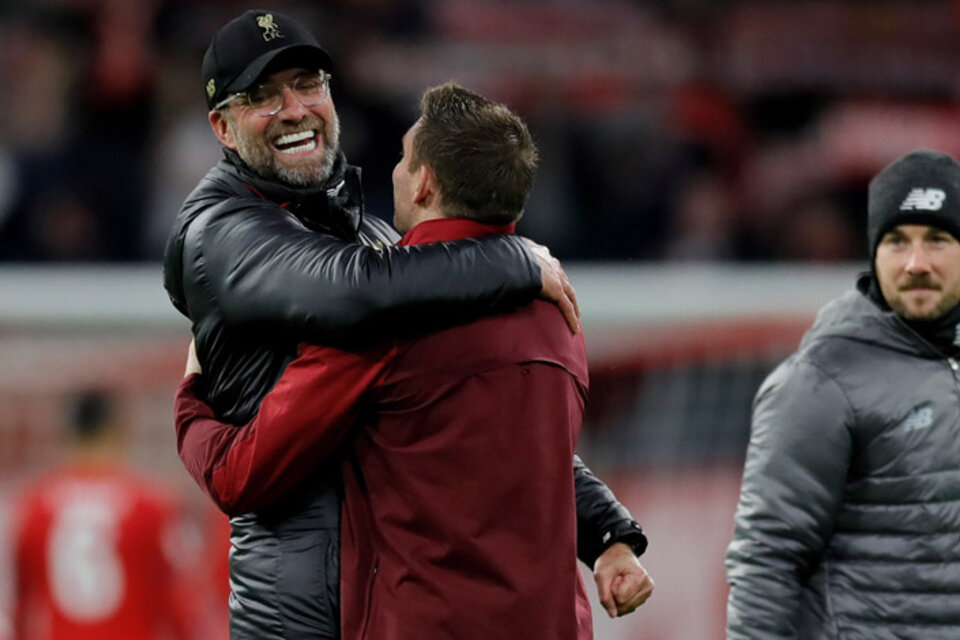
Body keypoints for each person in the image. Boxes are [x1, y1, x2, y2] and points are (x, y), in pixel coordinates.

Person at [163, 9, 650, 638]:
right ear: (222, 128)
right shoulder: (221, 232)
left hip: (385, 606)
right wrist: (511, 252)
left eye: (308, 84)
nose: (294, 109)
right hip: (299, 617)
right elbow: (353, 294)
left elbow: (515, 437)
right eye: (261, 96)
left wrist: (606, 530)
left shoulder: (393, 257)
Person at [725, 149, 960, 638]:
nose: (916, 263)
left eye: (937, 240)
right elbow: (767, 559)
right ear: (874, 253)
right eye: (897, 242)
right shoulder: (821, 379)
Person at [11, 390, 196, 640]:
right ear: (118, 431)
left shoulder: (34, 507)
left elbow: (22, 606)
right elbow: (178, 604)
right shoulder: (151, 506)